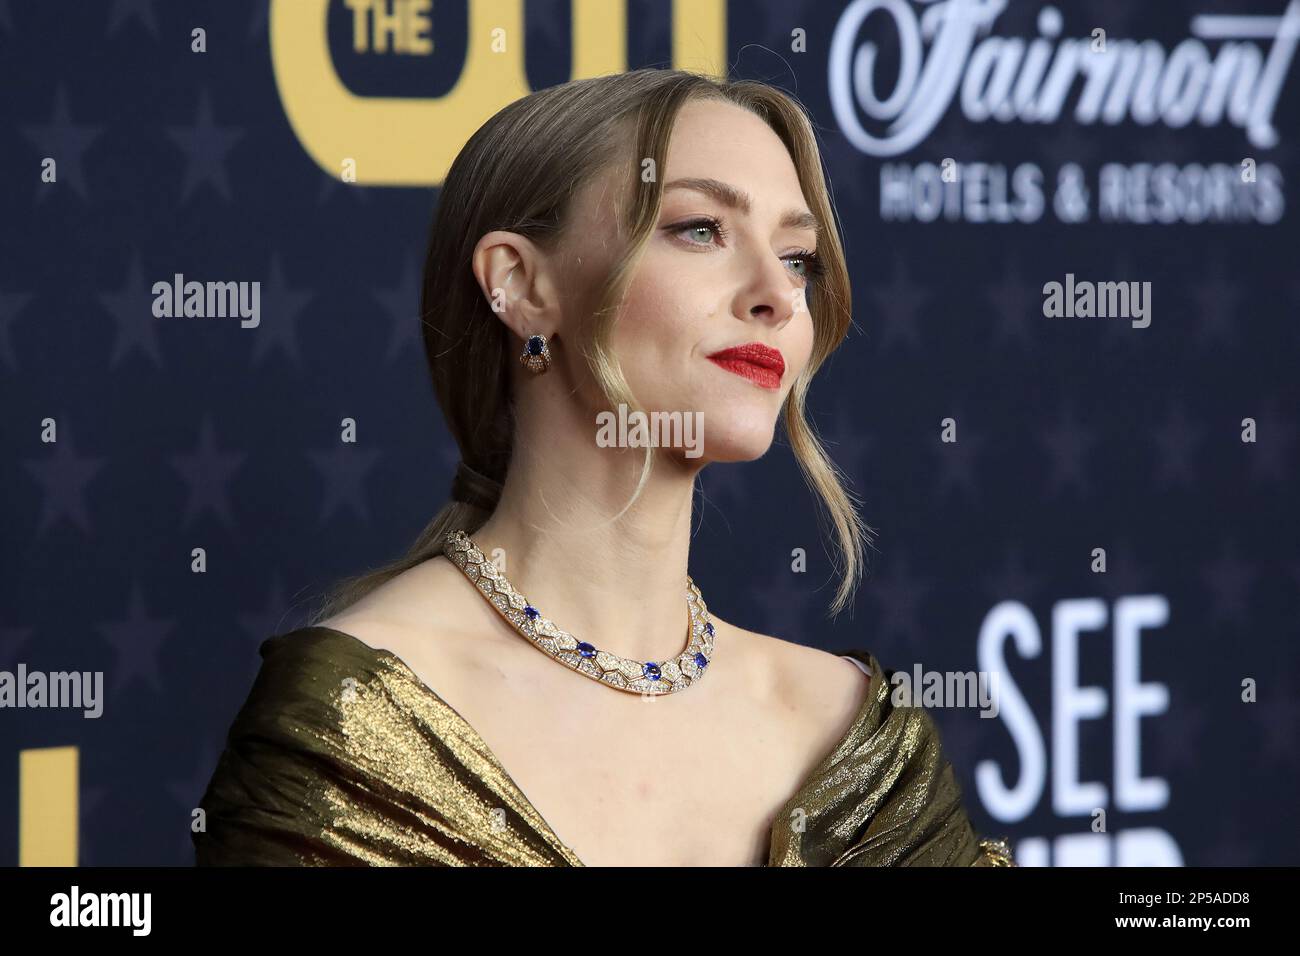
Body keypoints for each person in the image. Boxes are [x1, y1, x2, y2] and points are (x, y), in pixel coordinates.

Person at [193, 68, 1015, 868]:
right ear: (520, 283)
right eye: (701, 230)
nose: (778, 294)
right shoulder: (352, 725)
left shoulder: (852, 738)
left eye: (798, 256)